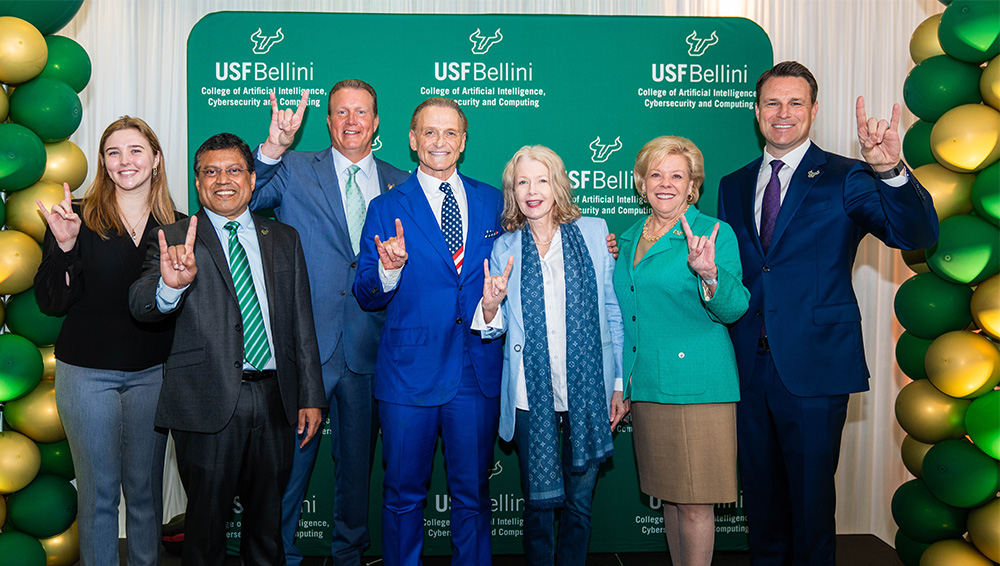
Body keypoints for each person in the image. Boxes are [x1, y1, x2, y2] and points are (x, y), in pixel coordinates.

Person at [717, 61, 939, 565]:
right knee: (763, 507)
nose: (783, 113)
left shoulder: (847, 175)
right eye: (772, 102)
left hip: (816, 367)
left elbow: (918, 237)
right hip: (748, 368)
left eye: (796, 103)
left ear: (814, 110)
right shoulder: (733, 185)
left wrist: (890, 170)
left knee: (812, 506)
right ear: (756, 112)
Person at [129, 133, 327, 566]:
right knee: (204, 533)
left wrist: (311, 395)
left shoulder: (284, 237)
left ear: (253, 180)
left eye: (234, 170)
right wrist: (169, 286)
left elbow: (301, 323)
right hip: (206, 402)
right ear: (197, 183)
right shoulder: (172, 237)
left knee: (268, 530)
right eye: (211, 172)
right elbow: (141, 303)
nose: (223, 180)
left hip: (276, 400)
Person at [251, 79, 409, 566]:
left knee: (356, 470)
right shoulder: (296, 168)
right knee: (290, 468)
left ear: (376, 122)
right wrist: (275, 145)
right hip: (305, 348)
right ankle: (278, 554)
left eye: (361, 112)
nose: (351, 121)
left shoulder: (400, 182)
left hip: (370, 346)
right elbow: (247, 200)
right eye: (341, 112)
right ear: (328, 120)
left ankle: (349, 555)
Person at [352, 97, 504, 566]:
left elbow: (537, 238)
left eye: (451, 133)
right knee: (402, 498)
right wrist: (389, 269)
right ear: (413, 140)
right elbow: (366, 292)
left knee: (473, 497)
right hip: (407, 375)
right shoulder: (385, 205)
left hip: (475, 371)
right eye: (429, 132)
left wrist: (598, 240)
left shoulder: (492, 200)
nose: (440, 142)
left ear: (463, 142)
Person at [34, 116, 181, 566]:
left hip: (153, 374)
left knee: (144, 494)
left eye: (136, 150)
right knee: (98, 495)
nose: (125, 161)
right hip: (86, 375)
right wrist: (63, 248)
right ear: (103, 162)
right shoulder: (74, 216)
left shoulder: (178, 226)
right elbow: (51, 302)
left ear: (155, 159)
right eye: (113, 152)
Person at [472, 145, 627, 565]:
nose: (532, 190)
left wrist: (618, 382)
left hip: (589, 391)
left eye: (541, 180)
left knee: (579, 507)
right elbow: (497, 324)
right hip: (529, 396)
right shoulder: (504, 247)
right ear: (513, 192)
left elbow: (612, 310)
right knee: (539, 508)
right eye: (522, 182)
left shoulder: (596, 234)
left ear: (557, 184)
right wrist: (489, 306)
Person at [613, 136, 749, 566]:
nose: (665, 184)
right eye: (656, 174)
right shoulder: (630, 237)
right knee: (670, 499)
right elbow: (629, 316)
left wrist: (709, 274)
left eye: (677, 175)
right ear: (641, 183)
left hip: (698, 388)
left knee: (694, 504)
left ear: (693, 185)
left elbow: (736, 307)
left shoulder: (713, 232)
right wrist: (625, 383)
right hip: (649, 386)